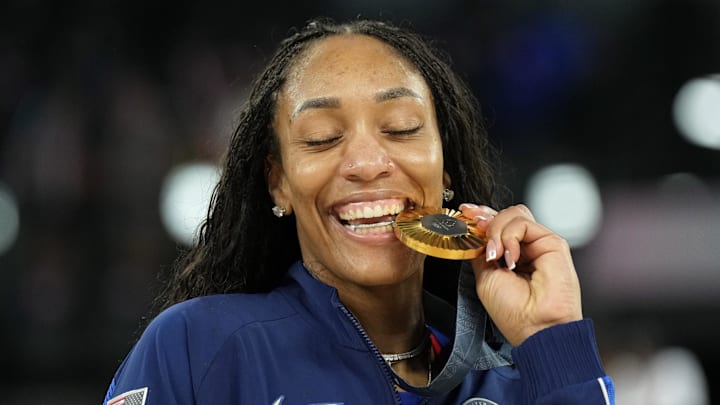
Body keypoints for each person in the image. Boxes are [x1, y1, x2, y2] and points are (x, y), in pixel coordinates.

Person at [102, 17, 615, 405]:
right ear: (277, 183)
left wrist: (552, 340)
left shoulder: (517, 378)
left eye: (400, 128)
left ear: (446, 172)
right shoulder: (199, 347)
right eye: (322, 138)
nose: (367, 163)